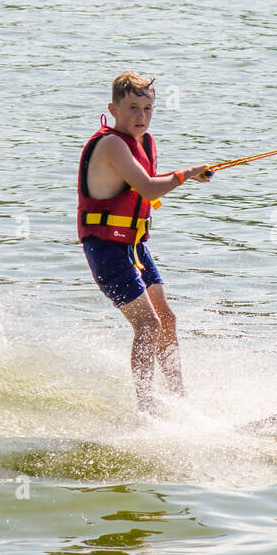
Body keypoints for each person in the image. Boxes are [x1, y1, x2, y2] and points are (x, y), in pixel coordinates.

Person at [77, 72, 211, 414]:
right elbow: (150, 189)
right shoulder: (111, 145)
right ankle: (146, 408)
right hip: (106, 250)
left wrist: (187, 176)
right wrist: (188, 172)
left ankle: (179, 401)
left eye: (148, 108)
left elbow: (149, 184)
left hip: (133, 246)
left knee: (166, 318)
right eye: (133, 108)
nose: (141, 116)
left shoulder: (147, 142)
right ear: (113, 109)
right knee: (147, 325)